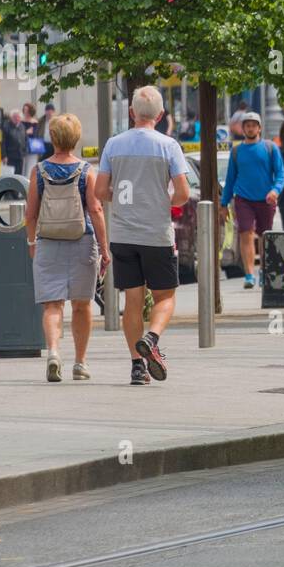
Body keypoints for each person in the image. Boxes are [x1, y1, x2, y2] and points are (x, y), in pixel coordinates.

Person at [95, 85, 190, 385]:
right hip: (156, 234)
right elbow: (183, 194)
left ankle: (137, 366)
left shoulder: (113, 145)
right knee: (165, 297)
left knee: (132, 300)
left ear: (132, 112)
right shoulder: (168, 146)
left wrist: (124, 200)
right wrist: (163, 201)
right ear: (161, 115)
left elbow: (100, 191)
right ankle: (152, 338)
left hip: (123, 234)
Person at [25, 113, 110, 383]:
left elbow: (30, 214)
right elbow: (95, 210)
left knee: (52, 304)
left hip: (48, 241)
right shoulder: (86, 171)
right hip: (82, 241)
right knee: (82, 305)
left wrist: (32, 242)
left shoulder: (39, 171)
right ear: (76, 138)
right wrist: (105, 249)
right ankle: (80, 363)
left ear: (52, 138)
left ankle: (52, 352)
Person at [219, 111, 284, 288]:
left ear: (259, 128)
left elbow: (280, 174)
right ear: (243, 129)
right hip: (243, 199)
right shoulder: (236, 151)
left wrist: (275, 191)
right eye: (247, 125)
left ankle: (264, 271)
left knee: (265, 236)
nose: (250, 128)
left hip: (266, 200)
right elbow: (230, 179)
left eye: (253, 125)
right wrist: (223, 204)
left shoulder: (270, 148)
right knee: (246, 234)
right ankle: (249, 275)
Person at [1, 109, 28, 176]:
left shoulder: (22, 126)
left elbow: (26, 140)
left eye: (18, 117)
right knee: (10, 175)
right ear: (11, 118)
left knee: (19, 175)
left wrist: (25, 152)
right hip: (10, 156)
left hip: (20, 155)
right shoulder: (6, 127)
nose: (16, 118)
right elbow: (3, 142)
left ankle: (18, 187)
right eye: (14, 117)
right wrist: (4, 156)